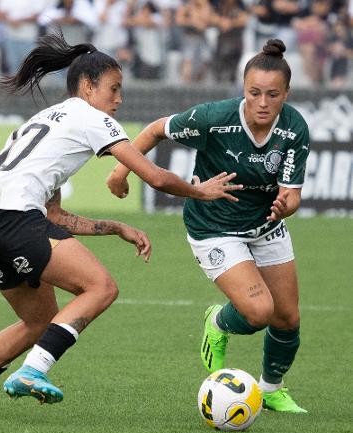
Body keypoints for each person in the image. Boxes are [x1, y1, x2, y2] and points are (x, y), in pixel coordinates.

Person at [0, 29, 241, 416]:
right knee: (101, 287)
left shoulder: (46, 118)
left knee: (39, 320)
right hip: (12, 218)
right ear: (89, 86)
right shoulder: (90, 117)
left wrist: (115, 227)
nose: (119, 100)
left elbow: (54, 216)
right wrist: (201, 191)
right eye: (114, 88)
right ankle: (32, 372)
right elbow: (156, 177)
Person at [107, 39, 310, 413]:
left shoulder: (294, 127)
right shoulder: (214, 118)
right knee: (257, 313)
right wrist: (120, 172)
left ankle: (270, 389)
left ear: (286, 93)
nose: (263, 103)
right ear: (242, 89)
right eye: (254, 93)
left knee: (288, 318)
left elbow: (292, 194)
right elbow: (154, 130)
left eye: (272, 94)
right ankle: (217, 321)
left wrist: (285, 207)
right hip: (214, 226)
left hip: (265, 226)